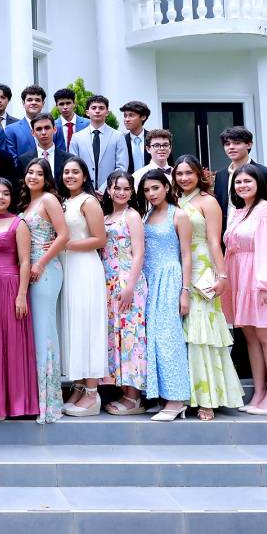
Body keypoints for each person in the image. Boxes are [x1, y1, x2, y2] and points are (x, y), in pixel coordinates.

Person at [173, 155, 244, 420]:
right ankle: (184, 392)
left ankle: (208, 398)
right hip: (179, 267)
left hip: (203, 268)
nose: (184, 178)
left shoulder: (209, 202)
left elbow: (215, 242)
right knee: (184, 332)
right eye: (179, 174)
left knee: (203, 333)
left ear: (199, 175)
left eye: (188, 173)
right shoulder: (175, 201)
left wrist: (222, 275)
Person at [224, 163, 267, 416]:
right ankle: (260, 392)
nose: (242, 186)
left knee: (266, 336)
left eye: (247, 182)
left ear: (258, 184)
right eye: (238, 182)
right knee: (251, 337)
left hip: (260, 278)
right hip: (240, 278)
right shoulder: (241, 211)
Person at [0, 178, 38, 420]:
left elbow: (25, 261)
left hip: (10, 285)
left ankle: (14, 403)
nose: (0, 197)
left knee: (10, 342)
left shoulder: (19, 223)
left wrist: (22, 295)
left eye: (5, 193)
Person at [138, 168, 192, 421]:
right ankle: (160, 394)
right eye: (147, 189)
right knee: (153, 339)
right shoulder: (146, 214)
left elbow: (186, 255)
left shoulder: (178, 214)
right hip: (149, 280)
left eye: (155, 188)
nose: (151, 193)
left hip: (170, 279)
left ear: (167, 187)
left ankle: (176, 399)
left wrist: (185, 291)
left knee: (169, 337)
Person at [19, 157, 69, 423]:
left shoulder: (49, 199)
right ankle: (35, 396)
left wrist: (40, 262)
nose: (33, 177)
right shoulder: (28, 203)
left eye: (39, 173)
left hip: (46, 270)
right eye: (30, 172)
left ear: (46, 177)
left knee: (44, 332)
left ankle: (49, 402)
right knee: (36, 333)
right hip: (31, 270)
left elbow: (63, 236)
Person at [59, 157, 108, 417]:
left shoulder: (89, 202)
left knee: (88, 325)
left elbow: (100, 239)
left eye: (75, 172)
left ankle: (92, 393)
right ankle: (78, 385)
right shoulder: (64, 201)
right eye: (66, 172)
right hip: (67, 268)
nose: (70, 176)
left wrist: (64, 245)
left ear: (85, 176)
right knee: (73, 326)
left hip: (85, 267)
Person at [99, 171, 148, 416]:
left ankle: (134, 396)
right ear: (108, 189)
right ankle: (122, 389)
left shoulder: (132, 216)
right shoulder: (106, 216)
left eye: (126, 188)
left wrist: (129, 286)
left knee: (131, 335)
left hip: (129, 281)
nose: (121, 192)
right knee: (115, 335)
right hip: (108, 282)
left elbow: (139, 252)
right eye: (116, 187)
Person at [214, 126, 267, 231]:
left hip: (259, 236)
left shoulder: (266, 173)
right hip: (228, 237)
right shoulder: (221, 175)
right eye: (227, 144)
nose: (231, 147)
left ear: (249, 144)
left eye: (237, 143)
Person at [70, 95, 128, 194]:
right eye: (93, 108)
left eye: (101, 108)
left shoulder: (118, 136)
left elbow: (121, 166)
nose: (97, 111)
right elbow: (73, 166)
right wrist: (87, 188)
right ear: (87, 112)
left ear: (107, 113)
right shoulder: (77, 137)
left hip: (110, 192)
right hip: (84, 191)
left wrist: (106, 188)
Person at [5, 85, 65, 159]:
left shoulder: (56, 127)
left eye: (37, 100)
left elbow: (62, 156)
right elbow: (12, 158)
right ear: (23, 103)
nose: (33, 102)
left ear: (43, 103)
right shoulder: (11, 130)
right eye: (29, 100)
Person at [17, 112, 72, 187]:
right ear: (33, 133)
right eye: (39, 129)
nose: (43, 132)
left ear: (55, 129)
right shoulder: (23, 160)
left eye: (47, 128)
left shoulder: (69, 159)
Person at [53, 87, 89, 152]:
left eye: (68, 103)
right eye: (61, 104)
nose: (65, 107)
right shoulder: (52, 126)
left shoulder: (87, 124)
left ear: (74, 104)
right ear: (56, 106)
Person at [120, 100, 151, 175]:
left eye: (131, 115)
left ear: (143, 117)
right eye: (125, 116)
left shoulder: (154, 139)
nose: (127, 119)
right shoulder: (121, 140)